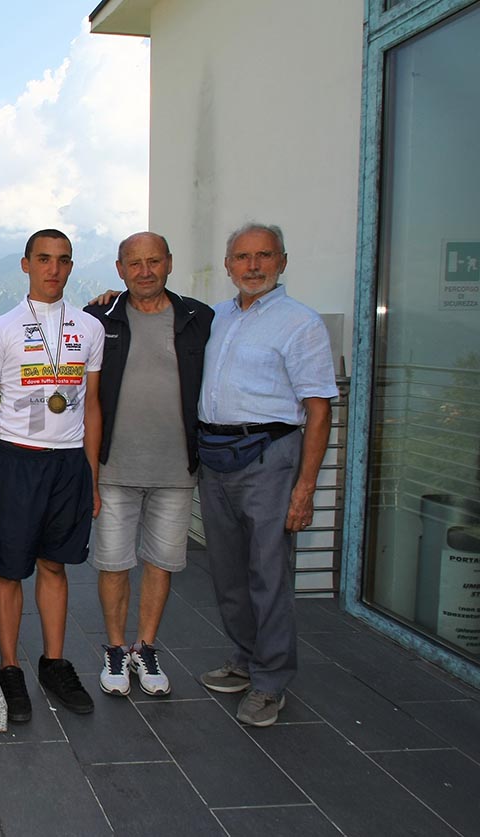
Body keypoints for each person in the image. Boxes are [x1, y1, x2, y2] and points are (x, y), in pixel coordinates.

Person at [196, 222, 337, 727]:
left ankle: (272, 679)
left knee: (269, 574)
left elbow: (319, 410)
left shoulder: (301, 324)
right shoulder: (214, 318)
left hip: (271, 458)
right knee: (229, 573)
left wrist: (305, 488)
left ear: (282, 261)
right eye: (242, 257)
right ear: (229, 264)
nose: (253, 266)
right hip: (214, 458)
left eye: (264, 256)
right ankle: (246, 657)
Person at [0, 228, 104, 725]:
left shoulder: (89, 328)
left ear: (71, 266)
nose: (54, 269)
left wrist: (91, 474)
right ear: (25, 264)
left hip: (68, 463)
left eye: (63, 260)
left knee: (55, 565)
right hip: (16, 460)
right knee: (7, 569)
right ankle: (8, 667)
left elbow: (92, 405)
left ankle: (53, 661)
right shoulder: (0, 329)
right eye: (43, 259)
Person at [83, 232, 213, 698]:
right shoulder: (99, 317)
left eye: (153, 261)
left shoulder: (200, 319)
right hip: (114, 466)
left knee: (162, 562)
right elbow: (50, 344)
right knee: (114, 563)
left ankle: (146, 647)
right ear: (119, 270)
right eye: (134, 263)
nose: (144, 271)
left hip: (177, 470)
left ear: (169, 263)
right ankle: (116, 649)